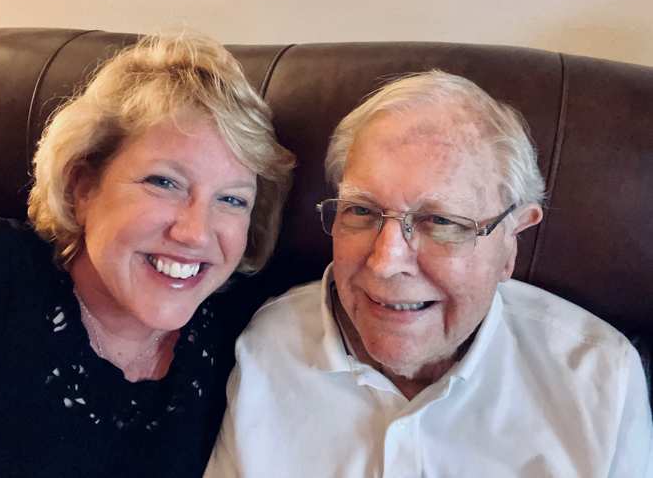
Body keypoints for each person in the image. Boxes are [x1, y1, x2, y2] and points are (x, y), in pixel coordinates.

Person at [205, 71, 652, 477]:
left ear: (511, 241)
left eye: (441, 221)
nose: (386, 261)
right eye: (361, 210)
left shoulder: (600, 381)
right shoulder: (265, 348)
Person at [0, 33, 294, 477]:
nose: (195, 234)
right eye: (164, 182)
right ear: (82, 188)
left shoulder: (250, 339)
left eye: (232, 200)